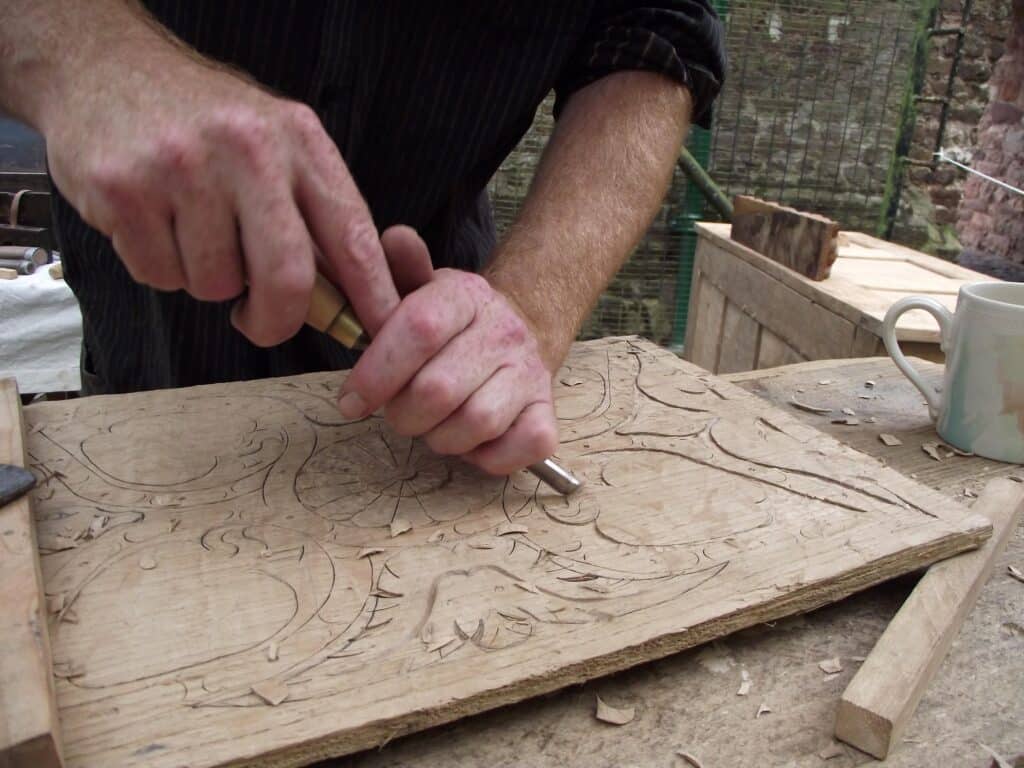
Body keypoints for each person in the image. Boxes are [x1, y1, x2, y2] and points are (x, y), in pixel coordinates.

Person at [0, 1, 725, 476]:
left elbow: (654, 31)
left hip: (439, 377)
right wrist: (90, 58)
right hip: (146, 362)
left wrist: (532, 307)